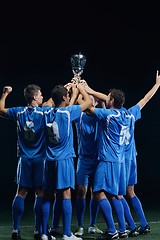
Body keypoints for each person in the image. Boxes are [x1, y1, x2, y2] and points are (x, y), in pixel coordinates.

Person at [42, 82, 92, 240]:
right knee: (66, 195)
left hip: (49, 160)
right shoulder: (69, 112)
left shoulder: (46, 111)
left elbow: (49, 102)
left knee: (48, 195)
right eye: (67, 96)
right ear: (64, 98)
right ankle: (67, 234)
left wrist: (64, 89)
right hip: (64, 160)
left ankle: (45, 232)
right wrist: (81, 90)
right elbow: (89, 102)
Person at [0, 84, 47, 240]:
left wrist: (5, 94)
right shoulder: (43, 112)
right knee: (40, 193)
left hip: (24, 159)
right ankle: (38, 231)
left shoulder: (19, 112)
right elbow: (55, 103)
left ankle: (15, 230)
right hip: (40, 159)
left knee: (21, 192)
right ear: (34, 97)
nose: (42, 97)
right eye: (40, 95)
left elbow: (1, 110)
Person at [83, 85, 130, 240]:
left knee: (97, 193)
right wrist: (88, 88)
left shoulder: (108, 115)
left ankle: (112, 231)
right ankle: (122, 229)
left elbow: (88, 108)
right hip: (119, 161)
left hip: (106, 160)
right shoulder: (126, 113)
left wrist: (82, 89)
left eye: (108, 97)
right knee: (115, 195)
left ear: (112, 100)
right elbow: (143, 101)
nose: (105, 98)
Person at [122, 70, 160, 235]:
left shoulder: (111, 117)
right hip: (132, 159)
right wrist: (157, 85)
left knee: (117, 194)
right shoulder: (130, 113)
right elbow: (145, 99)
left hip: (120, 160)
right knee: (131, 192)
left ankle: (131, 226)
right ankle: (144, 224)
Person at [74, 94, 103, 237]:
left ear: (95, 103)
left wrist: (87, 90)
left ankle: (92, 225)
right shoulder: (78, 116)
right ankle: (80, 225)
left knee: (96, 193)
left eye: (90, 99)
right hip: (83, 159)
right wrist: (77, 88)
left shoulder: (100, 115)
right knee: (80, 191)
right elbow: (71, 106)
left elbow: (104, 100)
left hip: (98, 159)